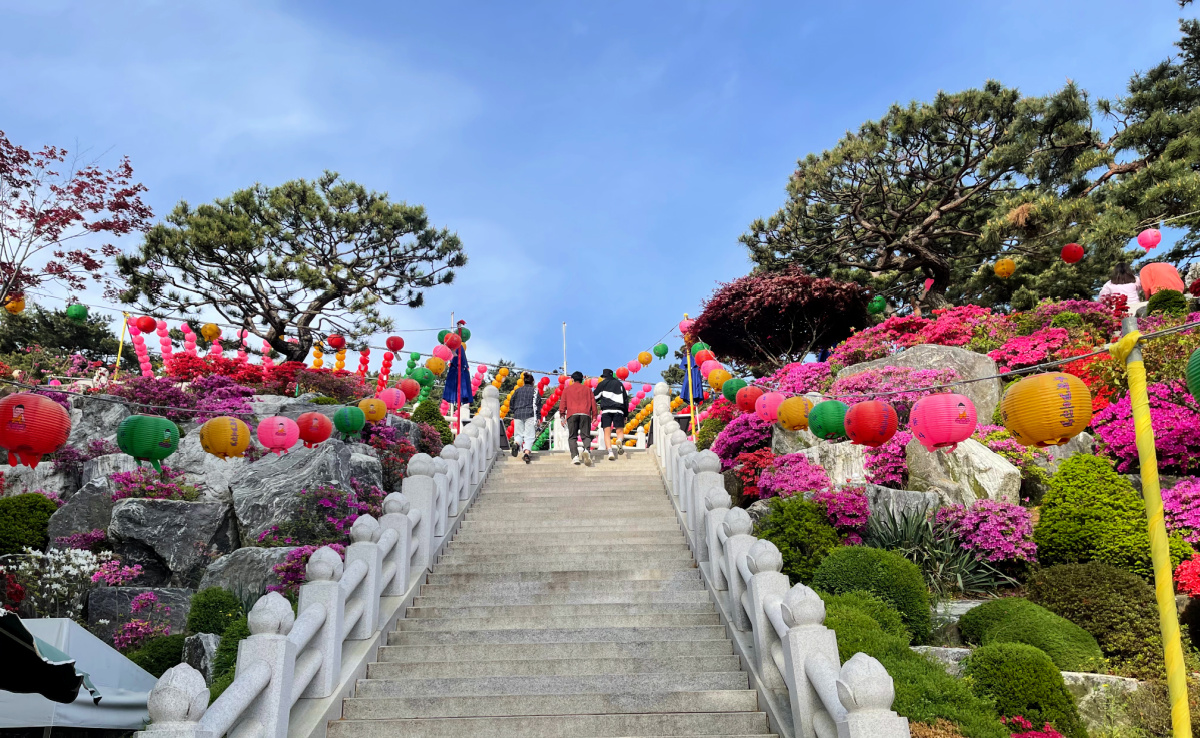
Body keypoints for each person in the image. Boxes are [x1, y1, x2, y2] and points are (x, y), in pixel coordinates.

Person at [558, 371, 597, 466]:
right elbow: (593, 404)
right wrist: (594, 416)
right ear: (582, 380)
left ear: (572, 379)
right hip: (585, 414)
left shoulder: (567, 390)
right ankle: (587, 450)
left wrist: (562, 416)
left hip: (572, 414)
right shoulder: (588, 390)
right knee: (586, 436)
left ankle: (575, 456)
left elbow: (562, 403)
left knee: (572, 436)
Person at [594, 368, 630, 461]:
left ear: (604, 376)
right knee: (619, 431)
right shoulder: (620, 384)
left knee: (607, 431)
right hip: (619, 410)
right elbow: (625, 400)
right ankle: (619, 441)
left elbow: (595, 397)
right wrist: (626, 414)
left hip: (606, 410)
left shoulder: (602, 384)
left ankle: (610, 451)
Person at [508, 372, 541, 464]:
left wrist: (514, 411)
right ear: (532, 382)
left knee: (518, 434)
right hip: (530, 414)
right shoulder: (535, 391)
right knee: (529, 435)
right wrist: (538, 418)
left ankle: (517, 443)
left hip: (518, 414)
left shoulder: (518, 390)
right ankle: (526, 453)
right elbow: (537, 405)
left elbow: (512, 401)